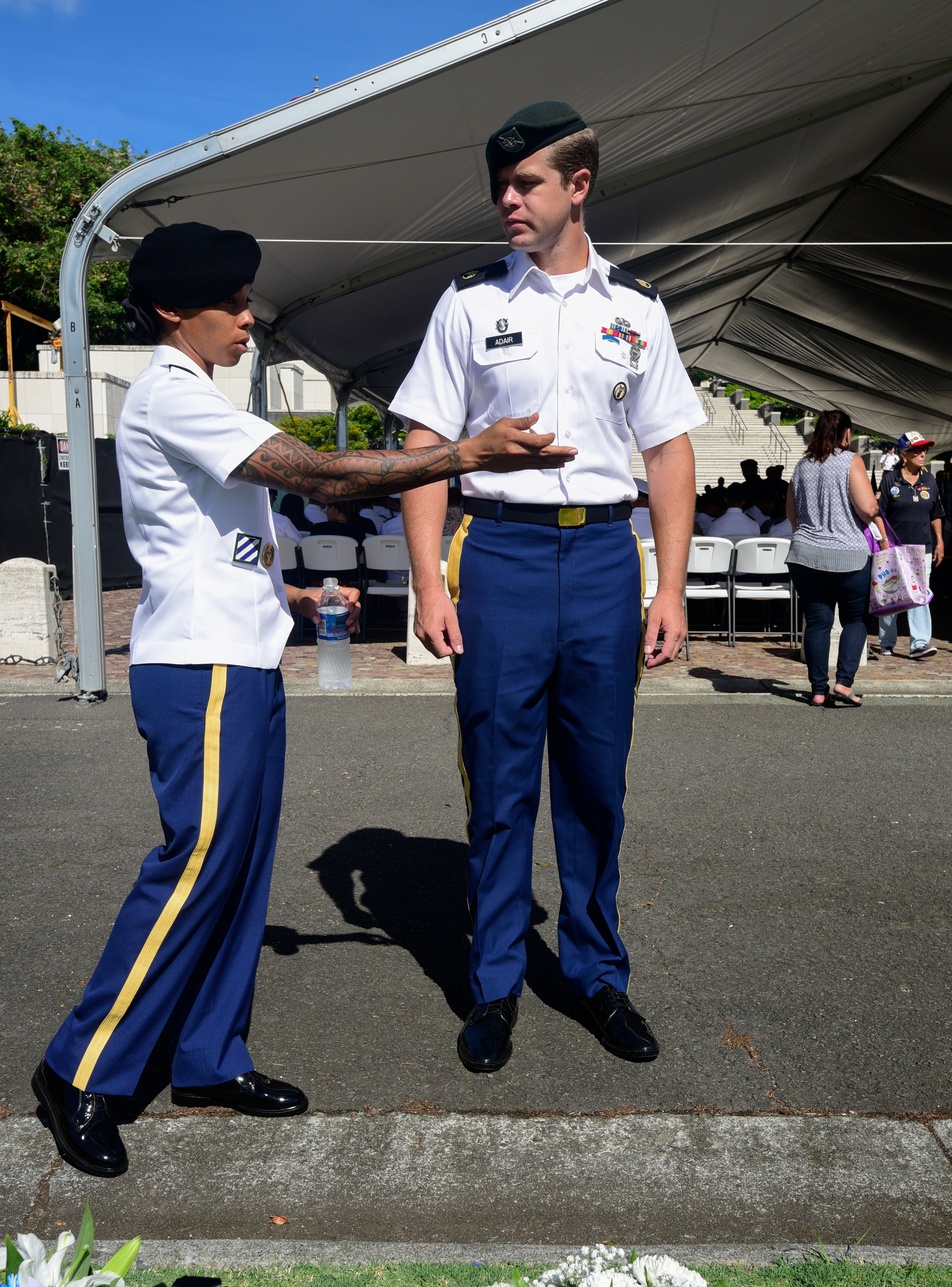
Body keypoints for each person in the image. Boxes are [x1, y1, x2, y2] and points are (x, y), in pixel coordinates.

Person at [34, 220, 572, 1178]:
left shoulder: (193, 392)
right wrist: (466, 454)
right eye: (232, 305)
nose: (248, 320)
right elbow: (318, 471)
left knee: (239, 876)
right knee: (195, 864)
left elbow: (204, 537)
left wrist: (292, 593)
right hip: (197, 669)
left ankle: (206, 1058)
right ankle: (81, 1070)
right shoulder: (169, 391)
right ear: (173, 312)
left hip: (239, 656)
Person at [390, 100, 704, 1074]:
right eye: (500, 185)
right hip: (504, 561)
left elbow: (668, 451)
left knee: (596, 784)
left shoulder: (636, 308)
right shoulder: (472, 303)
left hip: (607, 561)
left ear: (579, 186)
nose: (506, 201)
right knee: (498, 782)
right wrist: (427, 588)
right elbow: (423, 449)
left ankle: (595, 973)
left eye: (525, 183)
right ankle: (490, 984)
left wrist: (671, 586)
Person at [786, 408, 888, 707]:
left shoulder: (802, 464)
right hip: (848, 555)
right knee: (854, 619)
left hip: (804, 554)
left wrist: (806, 533)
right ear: (846, 433)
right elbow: (868, 508)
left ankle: (818, 690)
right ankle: (843, 683)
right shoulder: (850, 460)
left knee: (817, 622)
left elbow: (791, 511)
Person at [877, 432, 944, 660]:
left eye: (924, 450)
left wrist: (939, 542)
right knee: (891, 594)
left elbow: (936, 513)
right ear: (904, 455)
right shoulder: (890, 479)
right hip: (894, 546)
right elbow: (879, 514)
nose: (922, 454)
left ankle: (920, 643)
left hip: (922, 546)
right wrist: (883, 542)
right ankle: (886, 642)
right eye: (916, 450)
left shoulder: (930, 480)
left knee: (920, 596)